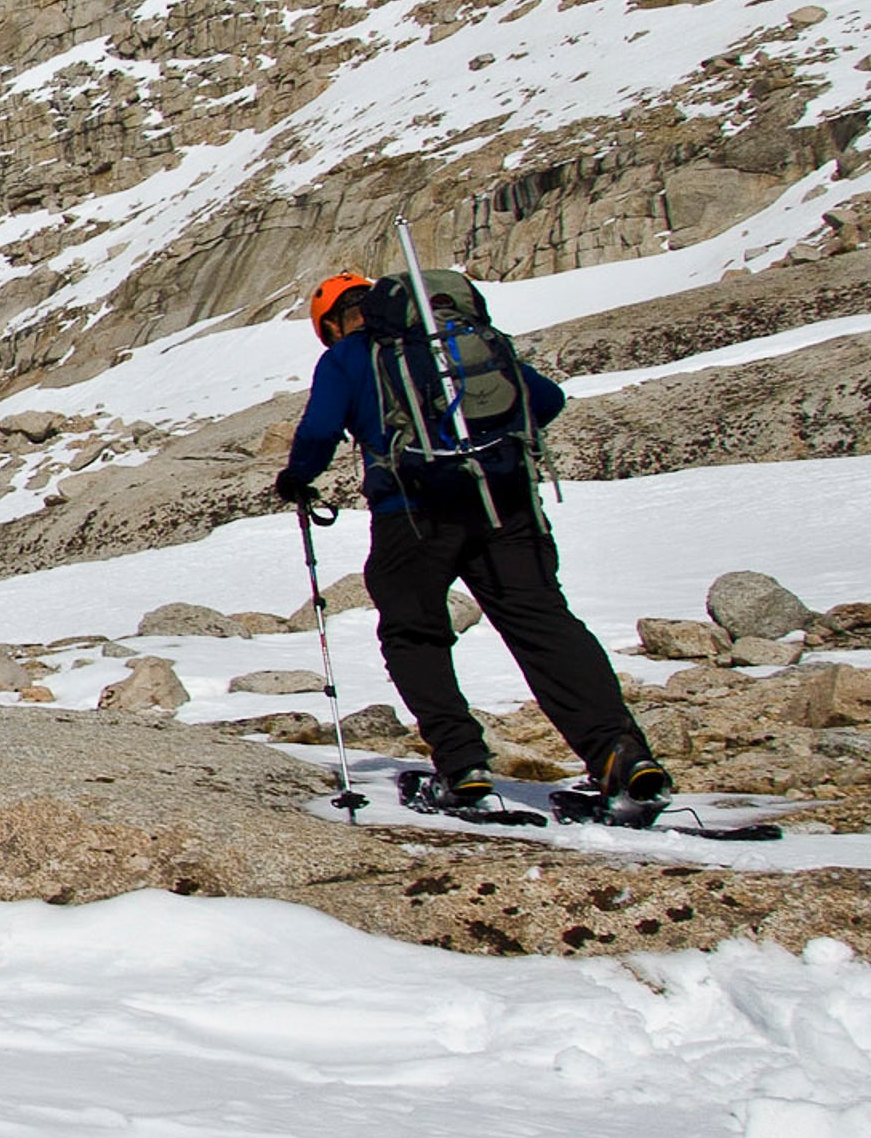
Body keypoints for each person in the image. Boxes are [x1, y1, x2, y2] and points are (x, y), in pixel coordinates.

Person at [272, 268, 669, 813]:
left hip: (413, 514)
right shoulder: (453, 341)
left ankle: (462, 766)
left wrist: (297, 477)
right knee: (544, 626)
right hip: (504, 506)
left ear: (332, 325)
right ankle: (620, 755)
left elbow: (320, 430)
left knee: (414, 633)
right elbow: (546, 400)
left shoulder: (349, 356)